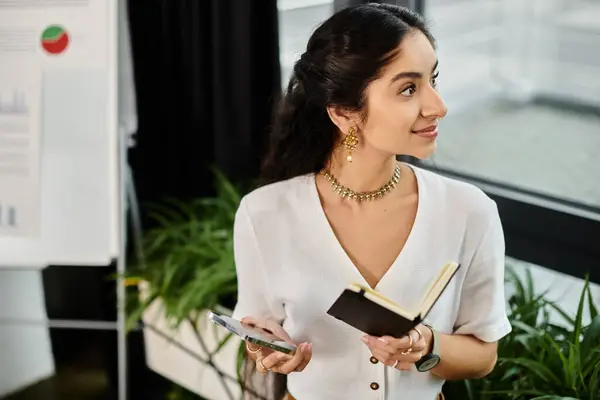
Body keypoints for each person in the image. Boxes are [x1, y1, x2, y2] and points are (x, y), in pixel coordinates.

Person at [231, 3, 512, 400]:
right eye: (409, 88)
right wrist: (270, 352)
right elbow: (259, 333)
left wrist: (427, 344)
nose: (438, 106)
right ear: (345, 112)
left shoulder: (468, 211)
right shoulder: (263, 214)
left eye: (433, 80)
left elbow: (483, 355)